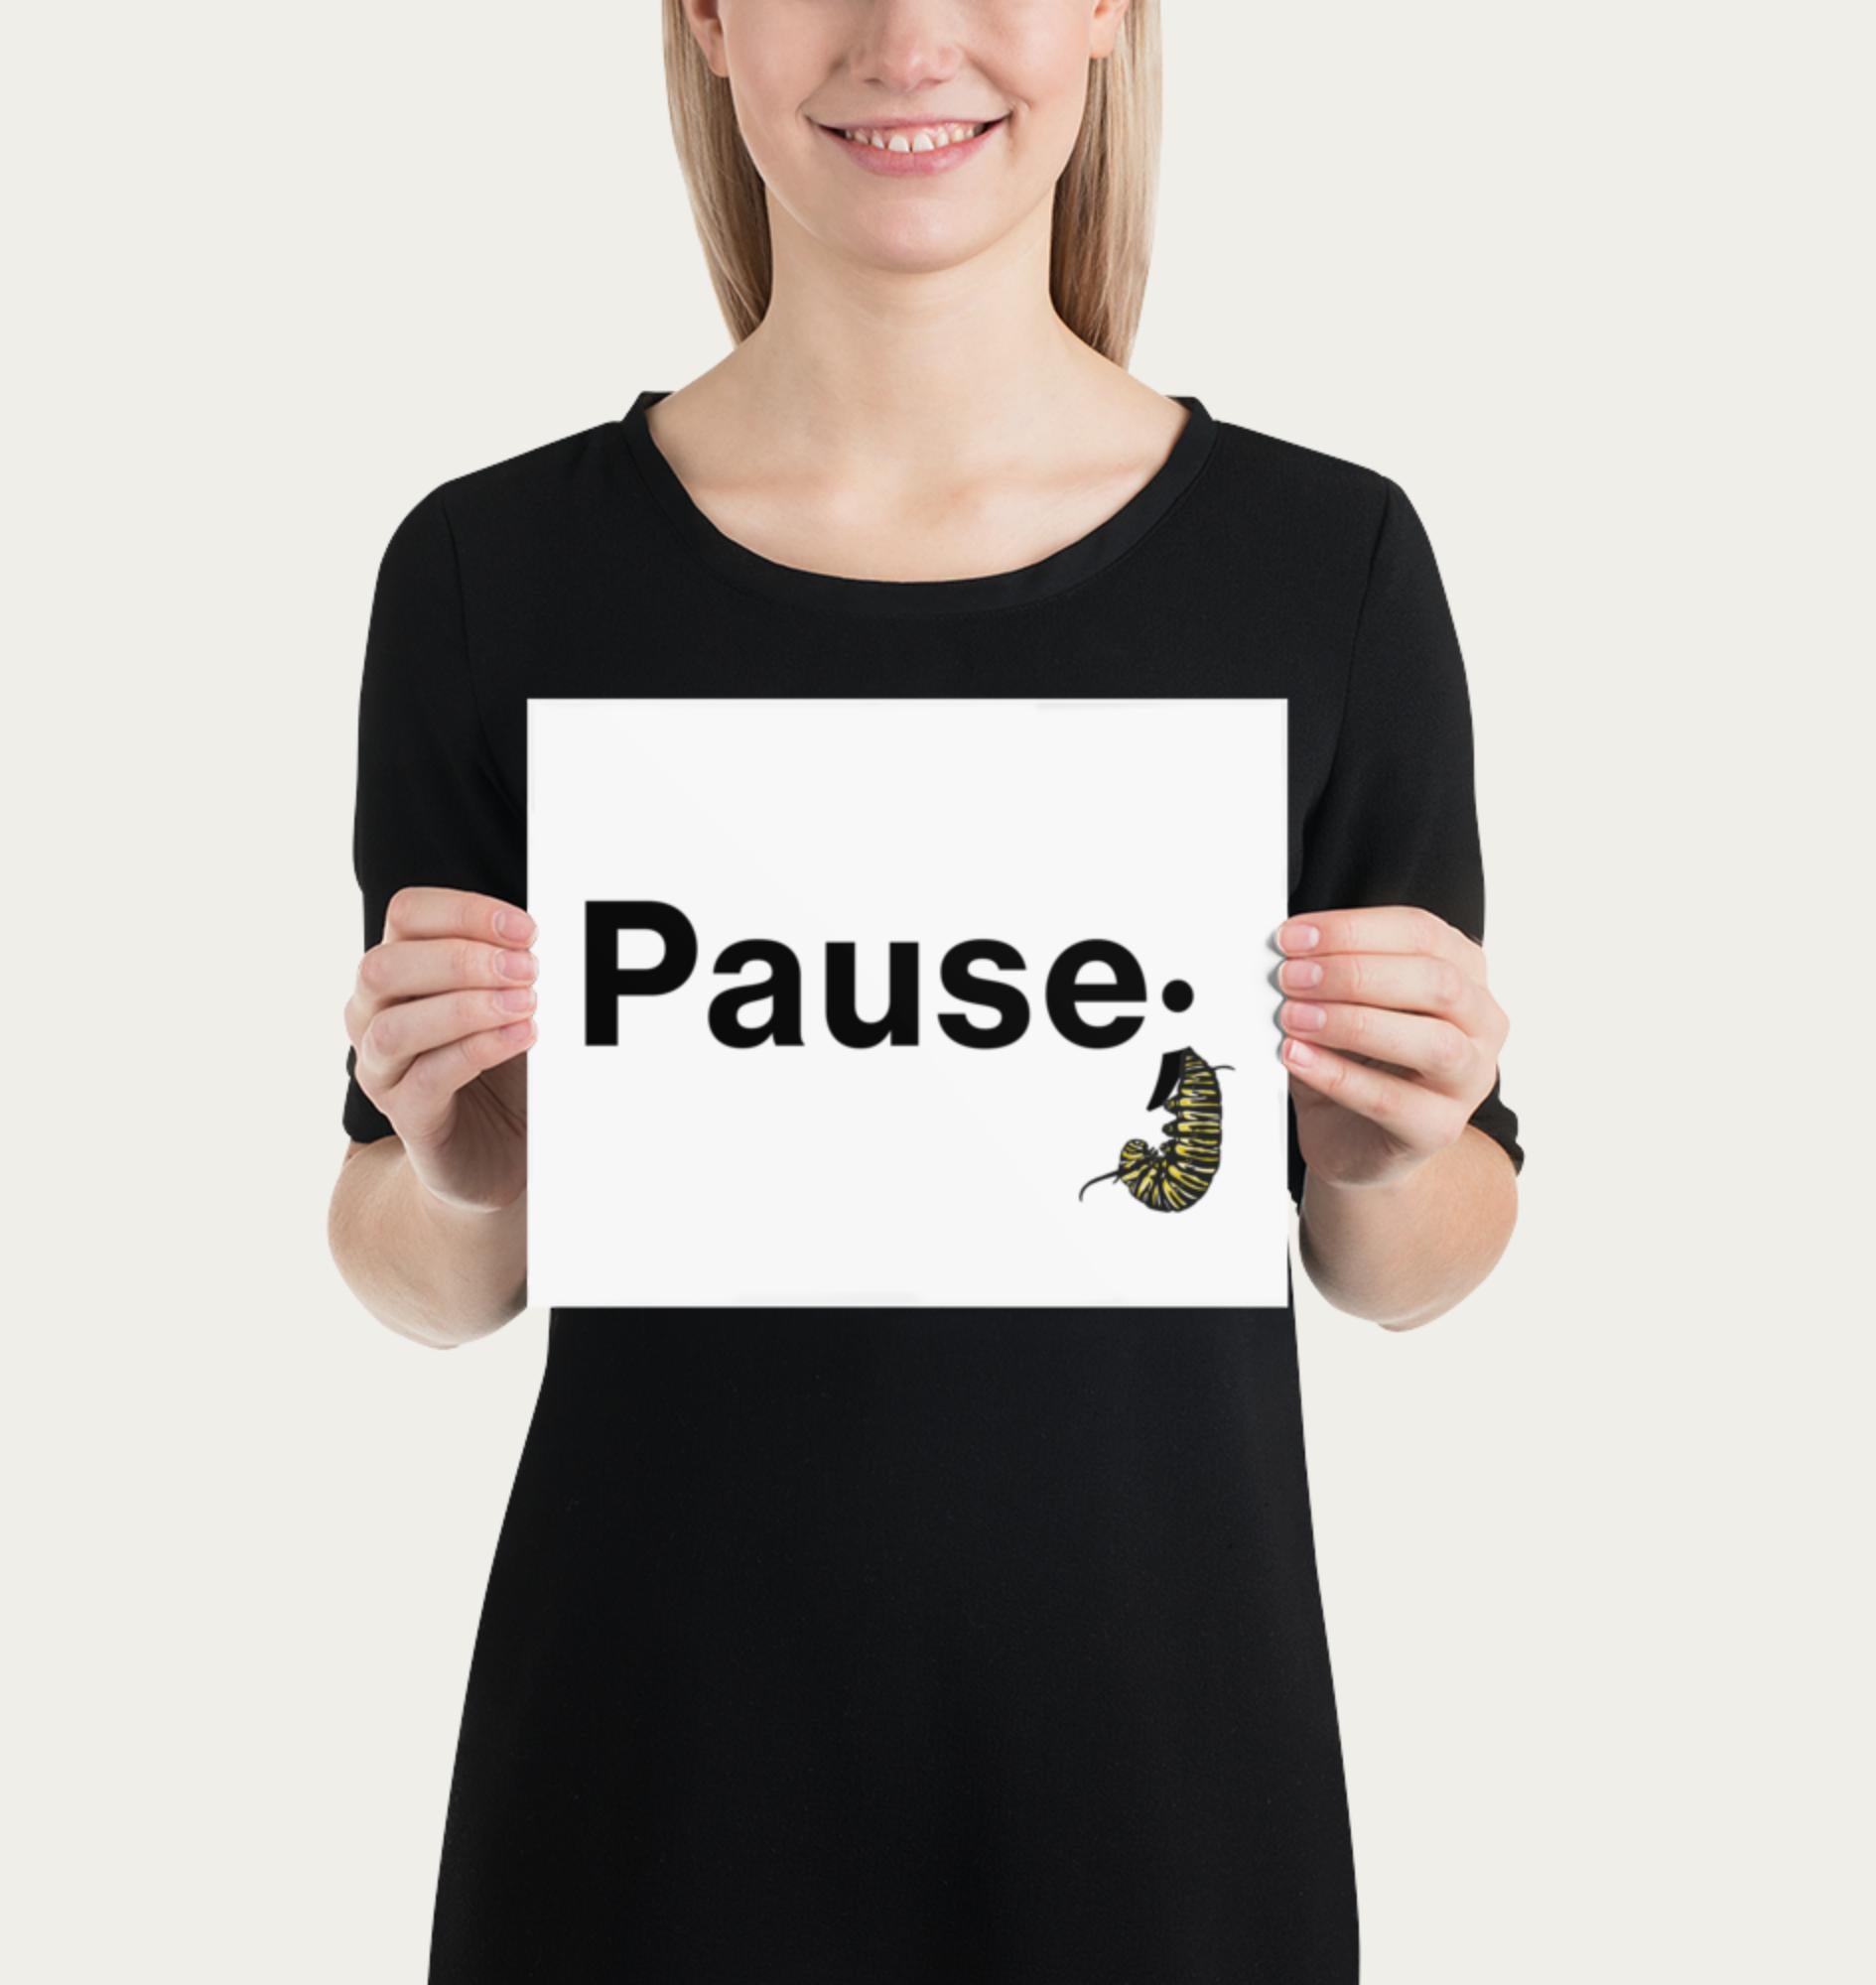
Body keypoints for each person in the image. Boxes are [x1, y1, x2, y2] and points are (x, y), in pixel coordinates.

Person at [328, 0, 1525, 1975]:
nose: (908, 36)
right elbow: (415, 1264)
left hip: (1161, 1799)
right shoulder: (491, 572)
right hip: (644, 1803)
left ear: (1111, 16)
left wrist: (1382, 1133)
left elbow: (1420, 1253)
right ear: (707, 19)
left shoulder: (1328, 567)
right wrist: (462, 1152)